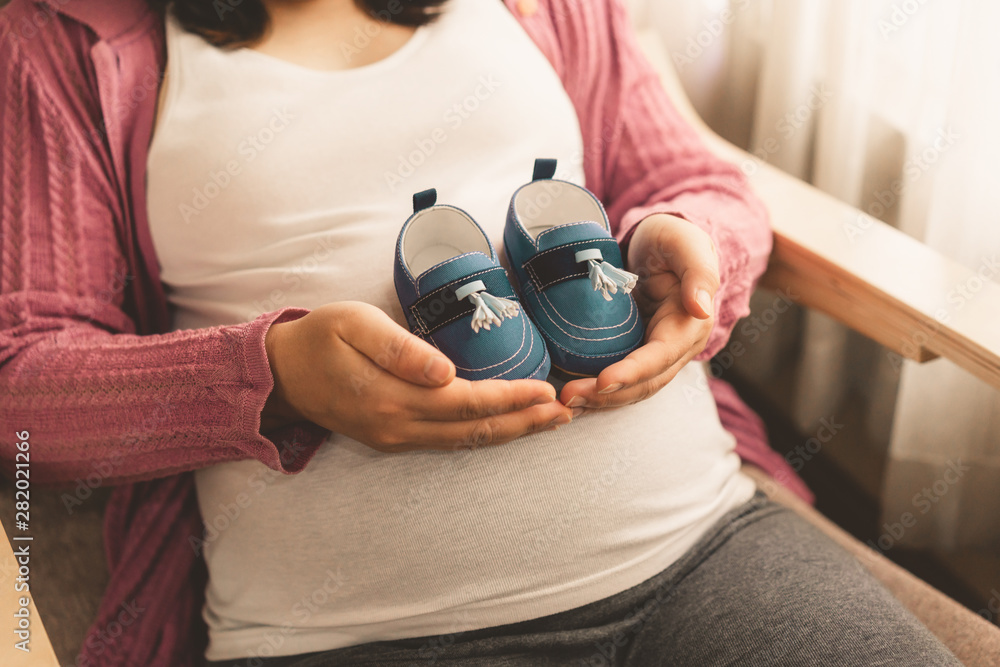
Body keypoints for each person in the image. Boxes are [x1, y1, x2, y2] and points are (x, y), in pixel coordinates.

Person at [0, 0, 960, 665]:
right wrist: (273, 377)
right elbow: (24, 382)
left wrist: (690, 241)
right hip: (361, 633)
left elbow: (696, 179)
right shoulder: (65, 40)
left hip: (705, 550)